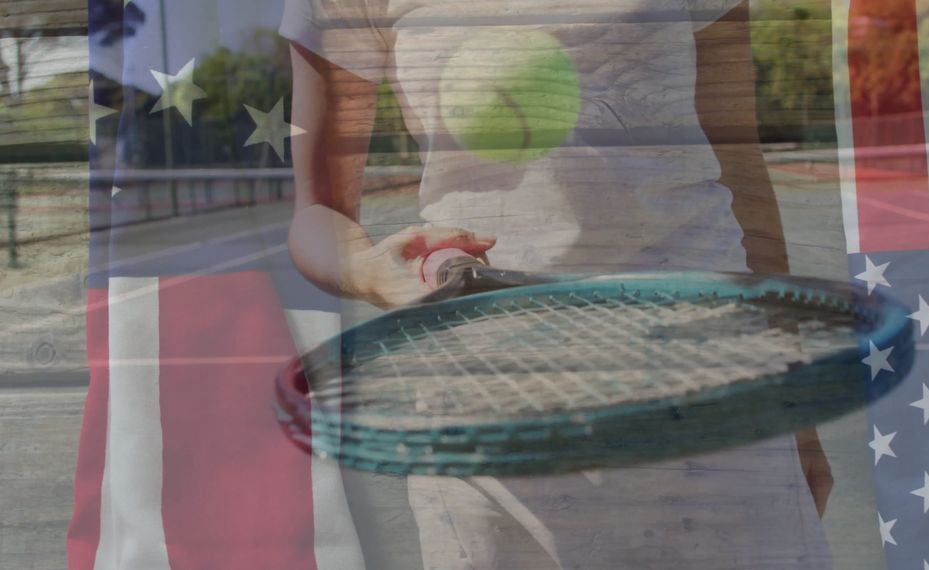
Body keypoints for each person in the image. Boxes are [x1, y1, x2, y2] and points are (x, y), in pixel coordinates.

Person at [281, 1, 833, 568]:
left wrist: (797, 402)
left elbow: (738, 163)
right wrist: (369, 269)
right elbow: (318, 214)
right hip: (490, 410)